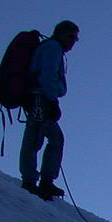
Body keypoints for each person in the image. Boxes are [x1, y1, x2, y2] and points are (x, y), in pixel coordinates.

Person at [21, 20, 79, 201]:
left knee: (48, 138)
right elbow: (47, 74)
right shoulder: (53, 48)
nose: (73, 41)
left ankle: (42, 181)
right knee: (35, 137)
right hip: (40, 98)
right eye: (71, 36)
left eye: (75, 38)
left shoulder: (52, 48)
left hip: (40, 97)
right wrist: (52, 101)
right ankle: (31, 182)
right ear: (61, 33)